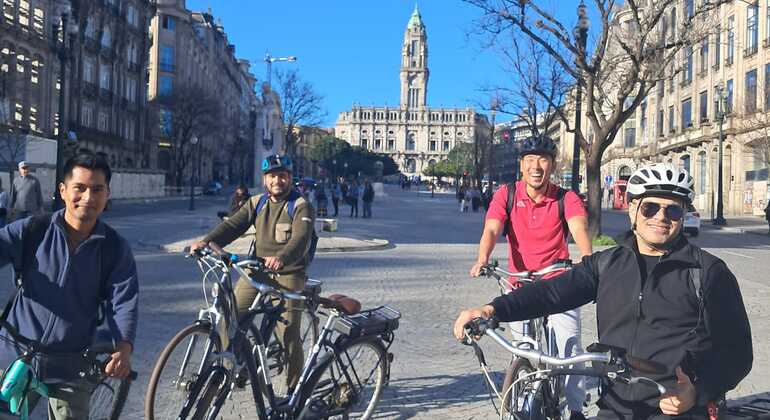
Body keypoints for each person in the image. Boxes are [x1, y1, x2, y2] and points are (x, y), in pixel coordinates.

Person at [455, 162, 753, 420]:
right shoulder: (608, 263)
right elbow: (551, 293)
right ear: (633, 210)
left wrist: (698, 392)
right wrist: (492, 310)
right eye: (650, 207)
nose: (661, 217)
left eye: (673, 210)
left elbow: (738, 353)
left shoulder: (709, 272)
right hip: (616, 403)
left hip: (677, 404)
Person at [0, 154, 138, 420]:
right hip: (14, 355)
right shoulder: (33, 230)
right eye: (80, 188)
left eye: (97, 189)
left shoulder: (113, 248)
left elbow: (124, 300)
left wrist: (123, 348)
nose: (88, 197)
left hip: (71, 364)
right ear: (63, 191)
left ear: (107, 194)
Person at [468, 135, 592, 420]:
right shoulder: (507, 194)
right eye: (531, 160)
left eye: (544, 160)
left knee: (569, 347)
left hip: (559, 283)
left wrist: (587, 260)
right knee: (522, 349)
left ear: (552, 165)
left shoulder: (565, 197)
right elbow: (491, 229)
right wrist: (482, 259)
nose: (537, 166)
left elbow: (579, 227)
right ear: (522, 165)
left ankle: (575, 409)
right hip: (520, 282)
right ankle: (525, 395)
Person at [190, 154, 314, 390]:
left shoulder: (300, 206)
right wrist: (206, 242)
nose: (278, 180)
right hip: (258, 270)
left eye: (283, 176)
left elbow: (300, 238)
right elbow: (233, 225)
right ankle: (229, 366)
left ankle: (296, 391)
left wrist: (282, 258)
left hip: (288, 274)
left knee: (289, 333)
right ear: (265, 179)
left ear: (290, 179)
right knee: (232, 313)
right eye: (273, 176)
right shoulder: (257, 203)